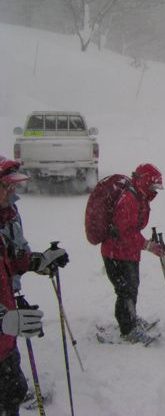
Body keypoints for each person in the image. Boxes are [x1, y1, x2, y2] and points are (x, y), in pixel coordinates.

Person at [0, 156, 69, 416]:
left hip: (4, 341)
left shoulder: (6, 216)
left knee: (12, 388)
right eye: (6, 186)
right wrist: (3, 319)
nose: (13, 191)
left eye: (14, 185)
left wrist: (39, 261)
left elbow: (11, 260)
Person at [100, 164, 165, 344]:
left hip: (126, 253)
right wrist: (147, 245)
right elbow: (125, 232)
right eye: (152, 186)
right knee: (125, 291)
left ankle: (131, 317)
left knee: (131, 287)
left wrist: (145, 245)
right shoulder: (130, 198)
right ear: (144, 182)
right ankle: (128, 329)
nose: (155, 191)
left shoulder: (139, 196)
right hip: (116, 254)